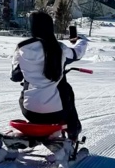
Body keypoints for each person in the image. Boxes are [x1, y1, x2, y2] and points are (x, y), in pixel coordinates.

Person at [10, 11, 89, 140]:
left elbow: (15, 76)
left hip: (29, 111)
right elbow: (76, 54)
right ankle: (73, 129)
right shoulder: (59, 48)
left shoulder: (21, 48)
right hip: (57, 113)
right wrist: (81, 41)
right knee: (66, 90)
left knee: (26, 89)